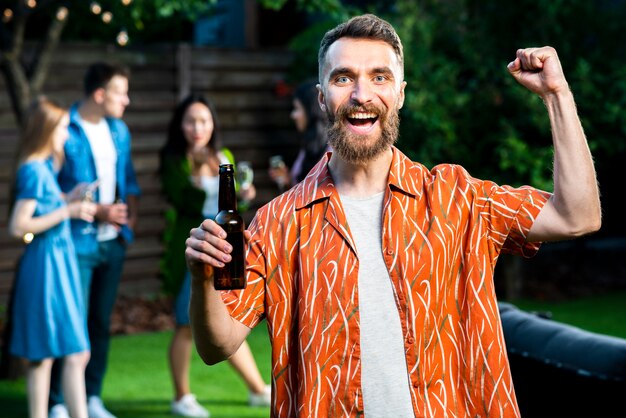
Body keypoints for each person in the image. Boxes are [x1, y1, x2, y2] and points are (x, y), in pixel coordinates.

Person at [185, 13, 601, 418]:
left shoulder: (457, 198)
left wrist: (557, 95)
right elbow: (216, 346)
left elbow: (577, 215)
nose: (361, 94)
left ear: (400, 93)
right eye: (343, 77)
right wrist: (204, 281)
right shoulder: (278, 222)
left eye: (379, 77)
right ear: (321, 98)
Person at [158, 93, 270, 417]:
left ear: (213, 124)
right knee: (184, 325)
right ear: (181, 125)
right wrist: (214, 187)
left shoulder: (224, 156)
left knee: (229, 318)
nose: (197, 127)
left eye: (203, 121)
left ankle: (256, 389)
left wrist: (243, 197)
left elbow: (231, 210)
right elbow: (187, 200)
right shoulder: (175, 160)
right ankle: (181, 397)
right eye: (191, 121)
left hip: (225, 251)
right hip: (191, 250)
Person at [50, 62, 141, 418]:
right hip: (76, 242)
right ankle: (57, 401)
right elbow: (53, 189)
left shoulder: (119, 131)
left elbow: (129, 180)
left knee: (101, 322)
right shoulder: (65, 129)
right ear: (100, 94)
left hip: (112, 242)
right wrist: (97, 210)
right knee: (71, 321)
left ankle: (91, 398)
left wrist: (127, 220)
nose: (128, 100)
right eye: (121, 92)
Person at [7, 97, 96, 418]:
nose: (66, 135)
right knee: (54, 354)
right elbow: (18, 226)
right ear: (45, 130)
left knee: (67, 353)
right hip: (46, 265)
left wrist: (67, 197)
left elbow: (46, 205)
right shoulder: (33, 169)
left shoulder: (43, 166)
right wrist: (68, 210)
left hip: (58, 262)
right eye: (61, 128)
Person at [268, 80, 331, 189]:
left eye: (297, 108)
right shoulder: (309, 147)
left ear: (311, 111)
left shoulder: (333, 151)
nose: (293, 115)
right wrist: (287, 180)